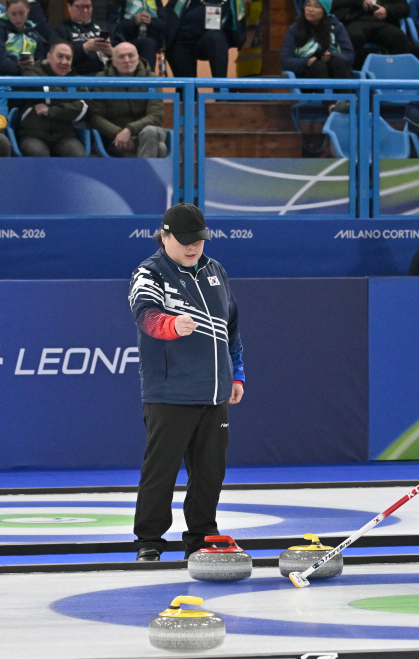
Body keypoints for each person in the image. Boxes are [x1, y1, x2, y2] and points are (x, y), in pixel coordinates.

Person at [129, 203, 245, 561]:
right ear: (164, 236)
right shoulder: (149, 273)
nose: (193, 247)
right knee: (161, 471)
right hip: (170, 392)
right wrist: (170, 326)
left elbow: (232, 329)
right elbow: (146, 315)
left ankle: (201, 535)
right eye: (184, 240)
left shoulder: (216, 271)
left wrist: (236, 374)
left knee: (210, 472)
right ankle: (149, 539)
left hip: (215, 392)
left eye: (199, 240)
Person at [90, 42, 169, 158]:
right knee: (160, 149)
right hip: (117, 138)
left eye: (131, 56)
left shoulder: (152, 79)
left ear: (138, 58)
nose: (127, 60)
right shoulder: (101, 80)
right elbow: (95, 117)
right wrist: (118, 133)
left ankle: (141, 175)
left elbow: (156, 115)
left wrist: (129, 130)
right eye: (121, 57)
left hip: (149, 133)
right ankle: (147, 175)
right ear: (113, 62)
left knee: (150, 131)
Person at [18, 41, 89, 157]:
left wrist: (50, 111)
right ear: (49, 56)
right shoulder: (32, 71)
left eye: (68, 58)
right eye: (60, 56)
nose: (64, 62)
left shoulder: (75, 78)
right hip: (33, 135)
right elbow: (41, 90)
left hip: (65, 135)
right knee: (39, 155)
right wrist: (70, 100)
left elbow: (84, 107)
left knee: (78, 155)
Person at [161, 0, 247, 79]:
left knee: (217, 38)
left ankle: (221, 91)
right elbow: (167, 15)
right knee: (188, 89)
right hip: (181, 41)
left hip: (210, 39)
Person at [280, 0, 355, 81]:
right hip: (306, 77)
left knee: (337, 63)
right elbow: (286, 60)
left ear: (324, 11)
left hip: (334, 70)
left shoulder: (337, 27)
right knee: (319, 66)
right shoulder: (294, 29)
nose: (310, 9)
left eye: (316, 7)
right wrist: (306, 62)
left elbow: (349, 55)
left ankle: (345, 93)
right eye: (308, 5)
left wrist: (332, 56)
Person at [329, 0, 413, 71]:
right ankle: (356, 75)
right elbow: (333, 5)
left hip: (382, 22)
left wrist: (387, 10)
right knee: (354, 36)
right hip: (354, 21)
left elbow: (405, 7)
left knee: (398, 36)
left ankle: (398, 75)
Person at [0, 0, 52, 75]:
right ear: (6, 11)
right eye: (13, 14)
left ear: (28, 10)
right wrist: (24, 69)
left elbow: (40, 59)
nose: (18, 19)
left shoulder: (34, 33)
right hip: (3, 78)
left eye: (21, 13)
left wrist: (34, 64)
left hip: (29, 77)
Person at [57, 0, 114, 75]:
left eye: (88, 6)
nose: (85, 10)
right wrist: (84, 48)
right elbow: (58, 61)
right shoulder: (61, 31)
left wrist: (111, 52)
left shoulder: (104, 27)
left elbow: (121, 52)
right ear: (69, 7)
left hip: (107, 74)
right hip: (78, 75)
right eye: (80, 7)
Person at [115, 0, 165, 71]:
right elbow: (114, 25)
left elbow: (164, 24)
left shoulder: (155, 1)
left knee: (149, 44)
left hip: (150, 45)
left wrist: (151, 21)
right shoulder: (122, 2)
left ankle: (147, 78)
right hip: (126, 41)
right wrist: (134, 22)